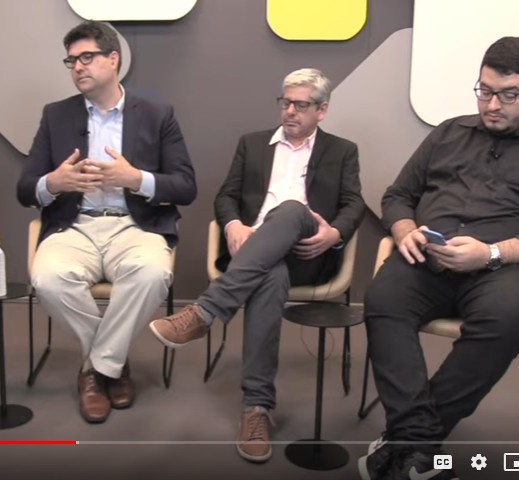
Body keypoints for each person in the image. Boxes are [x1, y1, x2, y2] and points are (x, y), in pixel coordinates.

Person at [359, 37, 519, 479]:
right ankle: (417, 443)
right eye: (485, 91)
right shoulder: (448, 133)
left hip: (501, 268)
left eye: (508, 94)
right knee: (383, 302)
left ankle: (407, 441)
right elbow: (398, 195)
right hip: (428, 256)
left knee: (507, 320)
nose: (492, 105)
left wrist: (492, 253)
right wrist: (405, 230)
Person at [148, 68, 365, 462]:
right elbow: (226, 196)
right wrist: (232, 225)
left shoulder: (342, 150)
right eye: (286, 102)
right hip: (255, 252)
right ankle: (256, 408)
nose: (290, 111)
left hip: (306, 251)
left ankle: (205, 311)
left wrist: (334, 234)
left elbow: (353, 204)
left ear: (322, 110)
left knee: (292, 209)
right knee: (270, 276)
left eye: (301, 105)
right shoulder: (252, 144)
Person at [17, 21, 197, 424]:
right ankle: (113, 364)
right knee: (48, 278)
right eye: (71, 61)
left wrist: (136, 179)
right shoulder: (56, 115)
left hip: (135, 226)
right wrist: (54, 182)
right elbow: (25, 189)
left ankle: (96, 370)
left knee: (152, 273)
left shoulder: (157, 114)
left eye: (87, 57)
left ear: (113, 59)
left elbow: (186, 186)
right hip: (74, 226)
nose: (78, 67)